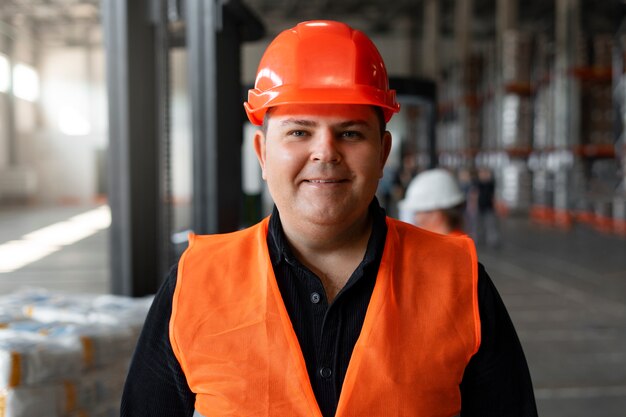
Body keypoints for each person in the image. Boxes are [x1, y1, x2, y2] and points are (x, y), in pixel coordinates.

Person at [121, 20, 537, 417]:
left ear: (383, 153)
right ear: (263, 154)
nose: (325, 152)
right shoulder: (195, 282)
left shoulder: (458, 281)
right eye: (300, 132)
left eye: (351, 133)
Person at [398, 168, 467, 235]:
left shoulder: (446, 245)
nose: (416, 219)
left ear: (436, 215)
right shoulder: (459, 241)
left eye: (418, 212)